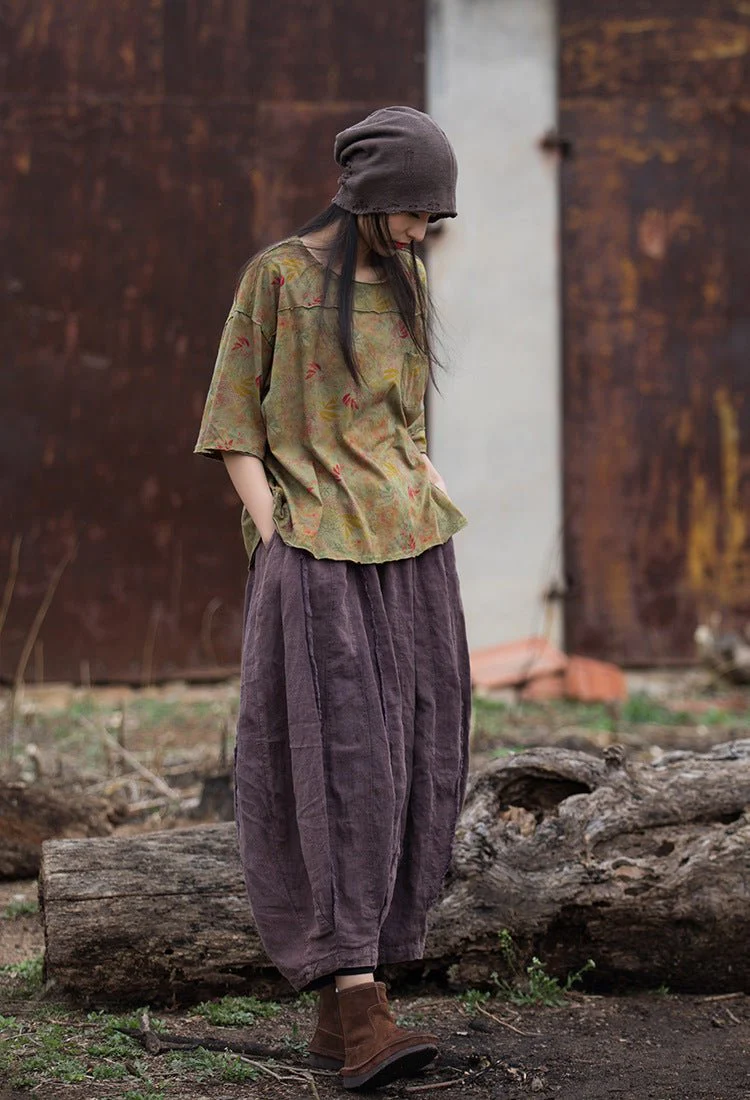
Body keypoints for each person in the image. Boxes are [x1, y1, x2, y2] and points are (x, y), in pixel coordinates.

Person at [194, 105, 472, 1091]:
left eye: (433, 217)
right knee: (339, 759)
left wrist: (428, 494)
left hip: (413, 545)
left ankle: (343, 1012)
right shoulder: (277, 278)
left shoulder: (407, 279)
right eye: (414, 212)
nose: (423, 232)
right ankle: (361, 1008)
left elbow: (404, 422)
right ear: (369, 195)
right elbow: (233, 422)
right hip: (317, 551)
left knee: (420, 756)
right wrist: (276, 530)